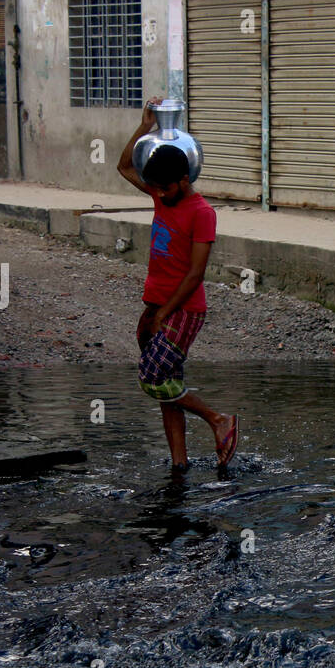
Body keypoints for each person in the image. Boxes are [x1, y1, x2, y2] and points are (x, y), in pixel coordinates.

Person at [118, 96, 238, 476]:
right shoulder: (162, 195)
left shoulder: (202, 213)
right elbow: (124, 166)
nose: (158, 194)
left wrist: (164, 313)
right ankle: (179, 466)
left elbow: (196, 274)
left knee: (152, 377)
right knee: (167, 389)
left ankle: (218, 419)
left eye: (165, 189)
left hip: (183, 311)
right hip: (156, 306)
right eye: (155, 188)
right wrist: (146, 127)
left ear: (184, 181)